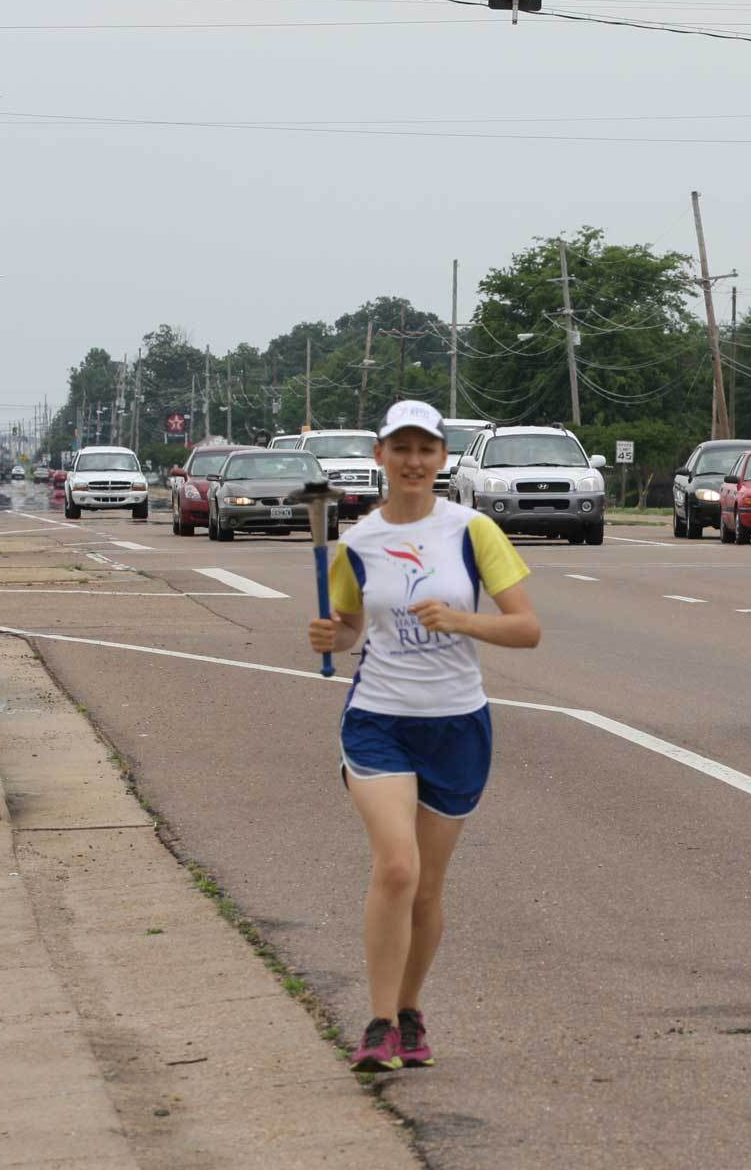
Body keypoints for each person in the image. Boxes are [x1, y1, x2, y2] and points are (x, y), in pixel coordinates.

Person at [308, 400, 542, 1073]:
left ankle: (410, 1011)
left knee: (428, 888)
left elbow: (527, 628)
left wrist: (462, 621)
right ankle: (379, 1023)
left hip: (457, 724)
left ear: (442, 458)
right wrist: (331, 635)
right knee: (397, 867)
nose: (413, 461)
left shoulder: (473, 531)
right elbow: (350, 629)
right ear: (380, 455)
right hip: (378, 719)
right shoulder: (357, 543)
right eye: (401, 448)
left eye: (425, 449)